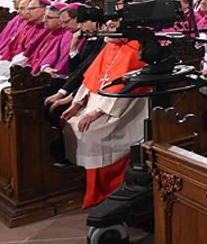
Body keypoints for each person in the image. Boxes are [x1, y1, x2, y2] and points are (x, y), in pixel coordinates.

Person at [60, 26, 147, 207]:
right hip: (97, 102)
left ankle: (104, 189)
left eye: (114, 27)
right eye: (107, 26)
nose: (108, 31)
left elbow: (128, 89)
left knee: (91, 132)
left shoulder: (136, 47)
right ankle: (87, 182)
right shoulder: (109, 46)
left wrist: (97, 112)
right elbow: (90, 79)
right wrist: (76, 104)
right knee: (71, 122)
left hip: (123, 108)